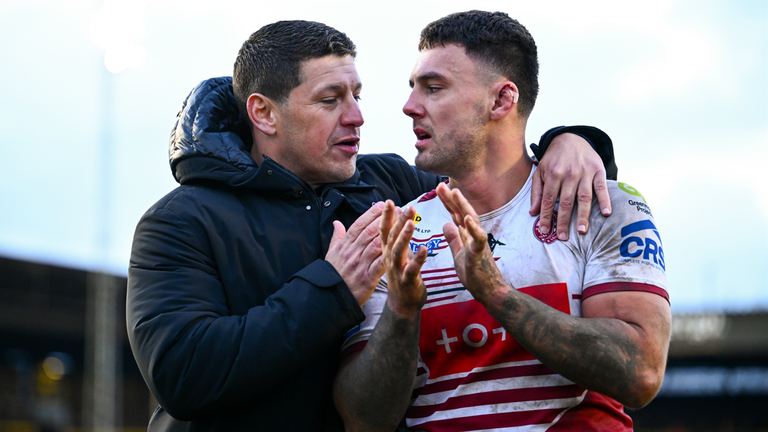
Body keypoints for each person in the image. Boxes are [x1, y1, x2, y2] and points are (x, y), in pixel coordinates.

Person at [127, 20, 617, 431]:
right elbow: (183, 374)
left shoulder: (390, 183)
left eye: (357, 95)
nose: (357, 116)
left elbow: (491, 165)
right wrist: (331, 290)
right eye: (330, 99)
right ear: (264, 113)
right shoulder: (179, 221)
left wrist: (572, 142)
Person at [335, 10, 671, 432]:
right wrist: (402, 312)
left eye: (434, 88)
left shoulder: (600, 202)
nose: (409, 107)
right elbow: (363, 420)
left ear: (501, 101)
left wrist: (495, 294)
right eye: (413, 89)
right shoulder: (400, 233)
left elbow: (640, 373)